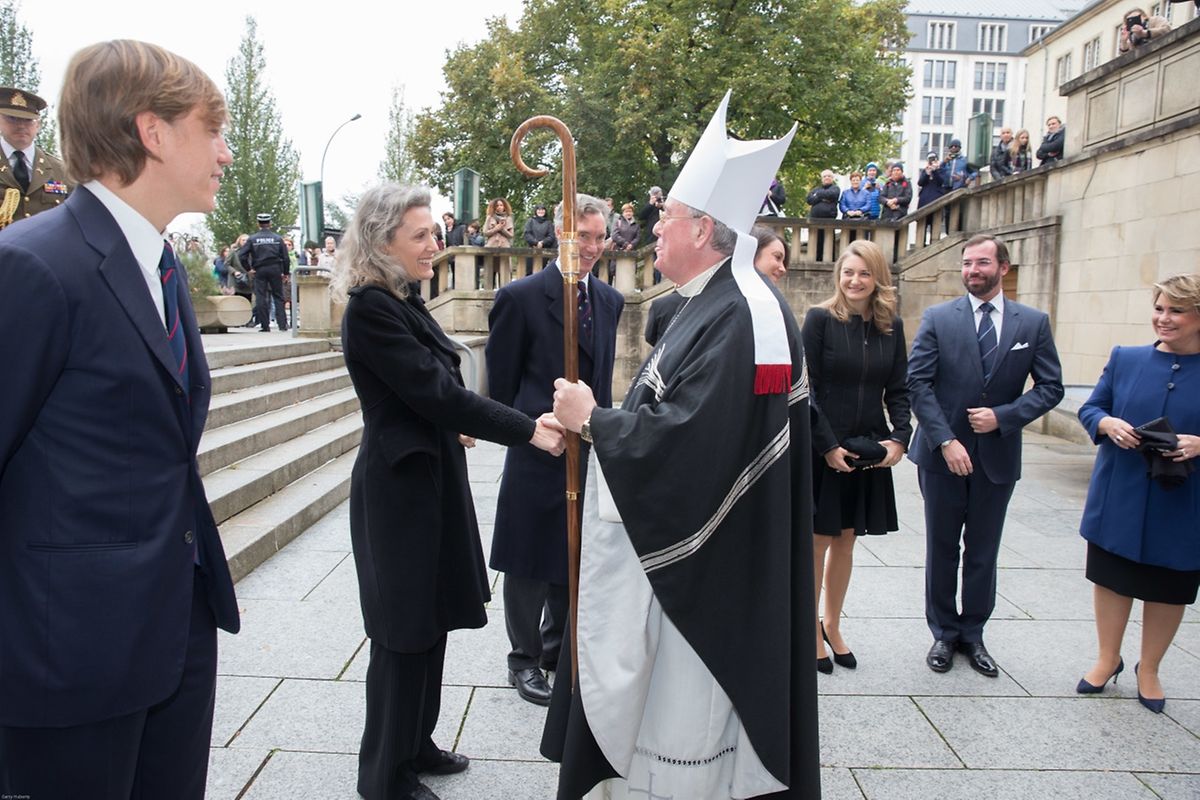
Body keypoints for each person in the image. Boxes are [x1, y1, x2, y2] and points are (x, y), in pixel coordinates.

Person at [543, 90, 820, 800]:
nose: (653, 227)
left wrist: (595, 422)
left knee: (687, 729)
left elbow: (698, 445)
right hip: (708, 552)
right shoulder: (712, 300)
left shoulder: (744, 313)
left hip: (713, 562)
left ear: (702, 228)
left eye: (666, 216)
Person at [0, 39, 240, 798]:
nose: (226, 153)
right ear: (153, 131)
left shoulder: (159, 265)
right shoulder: (33, 264)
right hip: (67, 660)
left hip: (171, 632)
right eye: (213, 130)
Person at [333, 183, 565, 800]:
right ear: (382, 242)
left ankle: (417, 743)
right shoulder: (371, 309)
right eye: (420, 235)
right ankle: (385, 776)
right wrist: (526, 430)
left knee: (430, 620)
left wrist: (454, 424)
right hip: (399, 492)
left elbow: (432, 393)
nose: (434, 244)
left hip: (431, 479)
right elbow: (435, 393)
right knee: (402, 633)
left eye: (434, 232)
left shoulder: (402, 299)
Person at [486, 193, 625, 706]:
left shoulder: (609, 300)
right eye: (582, 236)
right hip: (536, 446)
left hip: (586, 449)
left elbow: (601, 383)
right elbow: (499, 389)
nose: (592, 247)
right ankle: (522, 660)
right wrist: (528, 427)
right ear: (560, 237)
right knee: (527, 558)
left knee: (574, 552)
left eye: (599, 237)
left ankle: (556, 650)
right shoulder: (519, 297)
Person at [907, 234, 1064, 678]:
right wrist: (945, 440)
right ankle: (943, 632)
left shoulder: (1032, 324)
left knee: (983, 551)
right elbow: (918, 383)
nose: (972, 271)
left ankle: (973, 634)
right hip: (942, 457)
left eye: (981, 263)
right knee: (941, 547)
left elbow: (1051, 387)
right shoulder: (939, 318)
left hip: (997, 458)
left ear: (1003, 268)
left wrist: (1005, 417)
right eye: (967, 263)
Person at [1075, 275, 1200, 714]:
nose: (1164, 318)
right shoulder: (1125, 358)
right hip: (1121, 493)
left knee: (1168, 586)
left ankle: (1150, 669)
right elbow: (1092, 408)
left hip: (1183, 501)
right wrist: (1107, 424)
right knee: (1112, 577)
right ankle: (1107, 659)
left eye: (1176, 311)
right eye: (1159, 309)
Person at [802, 240, 910, 675]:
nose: (855, 280)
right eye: (848, 272)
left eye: (864, 273)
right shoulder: (820, 320)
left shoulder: (891, 327)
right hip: (824, 445)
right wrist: (827, 446)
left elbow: (898, 389)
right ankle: (809, 629)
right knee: (818, 540)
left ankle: (832, 624)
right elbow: (805, 388)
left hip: (868, 448)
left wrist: (899, 439)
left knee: (847, 539)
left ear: (878, 278)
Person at [0, 86, 72, 227]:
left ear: (38, 125)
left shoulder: (61, 171)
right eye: (12, 118)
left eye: (28, 120)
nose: (21, 126)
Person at [239, 212, 290, 332]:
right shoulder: (277, 239)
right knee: (278, 296)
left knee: (261, 297)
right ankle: (282, 325)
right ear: (270, 223)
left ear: (258, 224)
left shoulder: (252, 239)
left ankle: (265, 325)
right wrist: (285, 272)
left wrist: (248, 269)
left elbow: (242, 256)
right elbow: (285, 257)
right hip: (275, 269)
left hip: (259, 270)